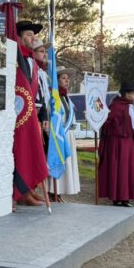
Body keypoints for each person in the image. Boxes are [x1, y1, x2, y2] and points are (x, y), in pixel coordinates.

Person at [10, 19, 49, 208]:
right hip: (18, 114)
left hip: (31, 114)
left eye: (33, 35)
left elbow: (39, 94)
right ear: (18, 36)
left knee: (31, 151)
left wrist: (43, 116)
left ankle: (27, 190)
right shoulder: (13, 56)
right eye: (28, 34)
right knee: (19, 152)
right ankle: (17, 192)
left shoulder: (32, 62)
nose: (31, 38)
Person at [98, 82, 134, 206]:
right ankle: (117, 197)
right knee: (118, 169)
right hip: (117, 143)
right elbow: (107, 122)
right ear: (127, 94)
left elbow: (133, 124)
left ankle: (125, 197)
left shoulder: (130, 106)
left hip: (128, 142)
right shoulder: (116, 106)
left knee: (127, 170)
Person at [54, 67, 81, 197]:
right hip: (60, 134)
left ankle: (61, 191)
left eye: (67, 79)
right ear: (57, 80)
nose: (67, 81)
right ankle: (55, 191)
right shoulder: (54, 96)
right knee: (59, 160)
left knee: (68, 162)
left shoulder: (66, 97)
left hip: (69, 134)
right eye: (63, 78)